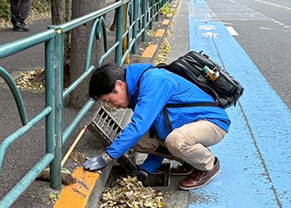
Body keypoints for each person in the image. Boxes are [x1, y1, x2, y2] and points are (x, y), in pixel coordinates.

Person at [84, 62, 230, 190]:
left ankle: (209, 165)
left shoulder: (153, 80)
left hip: (213, 122)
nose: (111, 106)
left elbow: (139, 126)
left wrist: (105, 158)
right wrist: (146, 171)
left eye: (109, 100)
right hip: (186, 126)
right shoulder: (136, 91)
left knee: (176, 141)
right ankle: (190, 162)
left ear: (120, 85)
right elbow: (160, 133)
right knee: (140, 141)